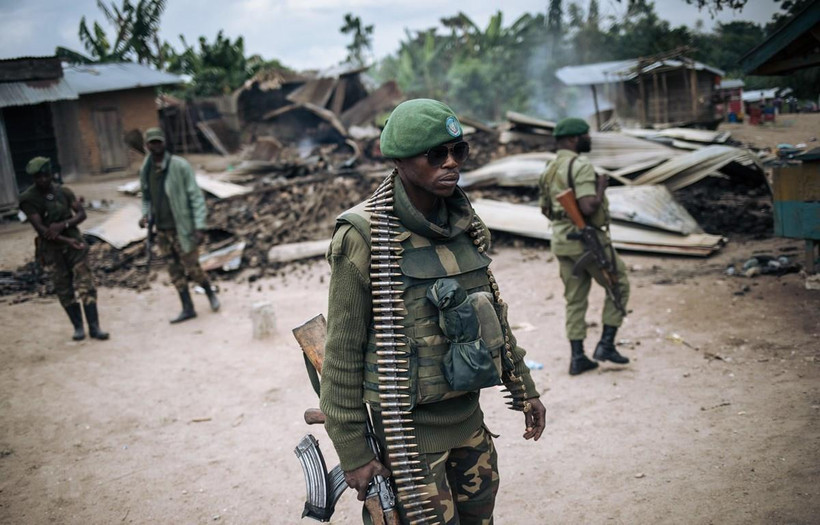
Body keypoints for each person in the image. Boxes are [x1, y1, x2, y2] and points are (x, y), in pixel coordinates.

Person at [319, 99, 546, 524]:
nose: (451, 164)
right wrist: (354, 452)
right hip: (408, 440)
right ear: (401, 161)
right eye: (436, 154)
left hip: (471, 426)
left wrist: (524, 387)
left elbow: (492, 314)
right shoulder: (364, 235)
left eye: (458, 152)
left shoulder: (463, 221)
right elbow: (341, 355)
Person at [537, 117, 631, 376]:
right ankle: (606, 345)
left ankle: (578, 357)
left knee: (575, 298)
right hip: (586, 240)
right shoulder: (580, 165)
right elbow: (589, 205)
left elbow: (545, 209)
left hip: (561, 241)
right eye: (586, 135)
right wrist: (600, 188)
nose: (589, 139)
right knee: (619, 284)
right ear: (572, 139)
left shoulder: (550, 167)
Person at [18, 157, 109, 341]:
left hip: (75, 245)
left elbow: (81, 214)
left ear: (51, 174)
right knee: (63, 288)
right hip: (52, 249)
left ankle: (94, 327)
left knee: (86, 284)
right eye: (37, 177)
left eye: (45, 175)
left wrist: (63, 225)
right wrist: (66, 239)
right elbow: (42, 230)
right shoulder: (28, 199)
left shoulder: (64, 192)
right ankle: (78, 327)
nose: (42, 180)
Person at [137, 127, 219, 323]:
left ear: (164, 143)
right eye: (152, 143)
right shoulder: (146, 169)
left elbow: (196, 197)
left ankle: (210, 293)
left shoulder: (179, 166)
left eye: (159, 142)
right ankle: (187, 307)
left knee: (192, 268)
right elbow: (146, 197)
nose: (156, 146)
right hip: (162, 231)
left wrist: (199, 226)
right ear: (147, 146)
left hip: (182, 228)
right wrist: (145, 215)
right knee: (174, 271)